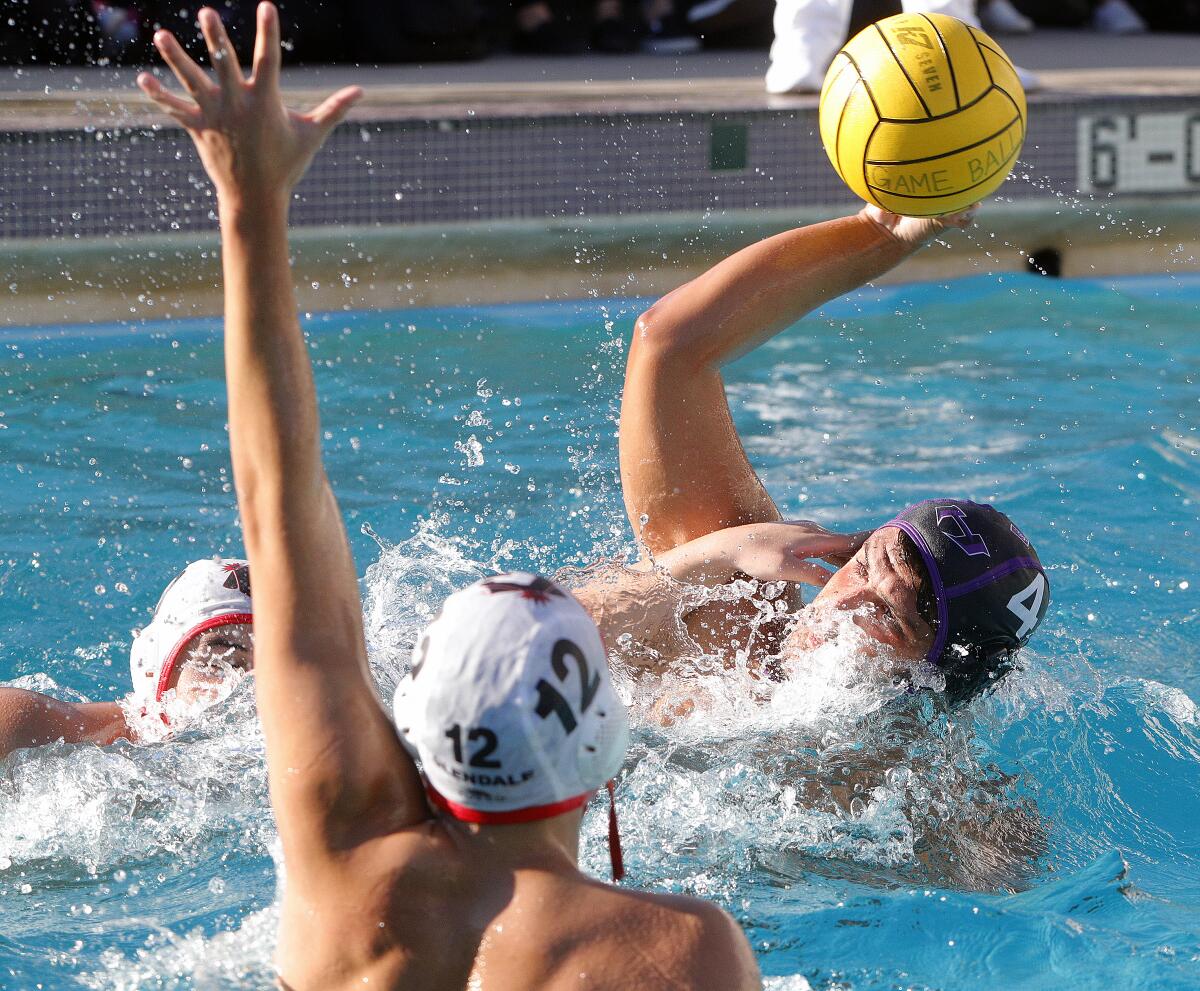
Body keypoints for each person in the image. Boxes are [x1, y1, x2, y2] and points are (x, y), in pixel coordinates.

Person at [136, 6, 762, 988]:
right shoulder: (677, 948)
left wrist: (248, 202)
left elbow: (277, 493)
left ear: (416, 721)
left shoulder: (342, 865)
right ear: (604, 744)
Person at [571, 205, 1050, 708]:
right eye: (864, 567)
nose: (841, 606)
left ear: (930, 674)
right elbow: (670, 345)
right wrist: (877, 233)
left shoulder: (910, 780)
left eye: (889, 617)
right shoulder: (737, 602)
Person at [0, 558, 254, 761]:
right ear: (155, 673)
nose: (250, 688)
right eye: (220, 663)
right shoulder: (44, 733)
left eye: (275, 669)